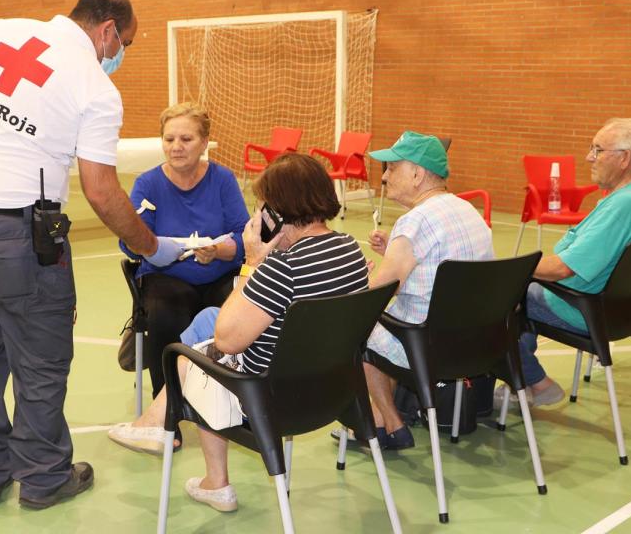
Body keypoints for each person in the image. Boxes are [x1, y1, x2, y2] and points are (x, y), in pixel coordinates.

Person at [0, 0, 183, 510]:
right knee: (41, 357)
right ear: (108, 31)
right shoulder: (94, 85)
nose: (120, 55)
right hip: (17, 234)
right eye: (126, 44)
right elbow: (100, 190)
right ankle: (45, 477)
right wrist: (151, 245)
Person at [109, 153, 370, 512]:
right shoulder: (350, 249)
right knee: (208, 319)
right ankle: (167, 433)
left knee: (194, 355)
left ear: (277, 212)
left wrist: (252, 263)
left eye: (262, 206)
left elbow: (228, 339)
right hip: (331, 392)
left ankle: (175, 438)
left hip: (268, 399)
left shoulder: (282, 267)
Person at [494, 117, 631, 410]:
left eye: (598, 150)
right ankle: (518, 387)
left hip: (585, 309)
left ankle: (534, 382)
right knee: (520, 292)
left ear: (624, 158)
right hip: (623, 309)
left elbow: (563, 268)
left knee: (495, 301)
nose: (589, 157)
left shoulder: (626, 205)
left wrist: (505, 271)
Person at [358, 131, 494, 450]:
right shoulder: (469, 212)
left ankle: (389, 422)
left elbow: (376, 294)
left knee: (357, 330)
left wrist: (356, 280)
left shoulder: (415, 222)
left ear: (417, 174)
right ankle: (383, 417)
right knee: (387, 323)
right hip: (474, 343)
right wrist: (394, 251)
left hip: (426, 345)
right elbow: (444, 270)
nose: (385, 176)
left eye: (393, 168)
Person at [117, 102, 249, 398]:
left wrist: (219, 250)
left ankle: (233, 400)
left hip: (219, 276)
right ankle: (168, 403)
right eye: (169, 139)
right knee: (165, 314)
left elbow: (245, 236)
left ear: (204, 143)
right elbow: (129, 243)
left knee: (244, 313)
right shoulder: (147, 184)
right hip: (165, 277)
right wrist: (151, 246)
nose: (176, 147)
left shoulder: (223, 180)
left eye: (186, 139)